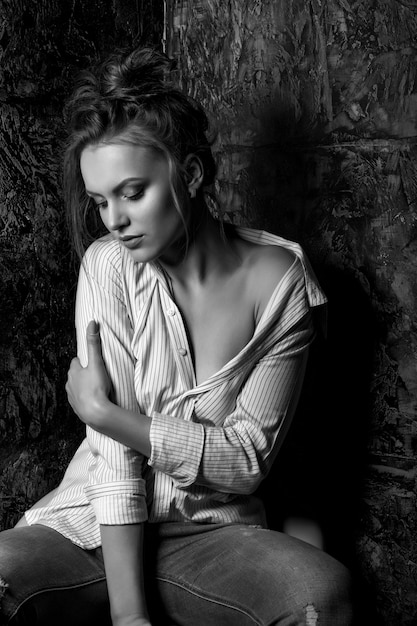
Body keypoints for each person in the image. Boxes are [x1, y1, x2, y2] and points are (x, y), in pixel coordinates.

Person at [0, 47, 353, 626]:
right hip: (95, 526)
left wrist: (108, 414)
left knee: (321, 593)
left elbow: (246, 461)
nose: (113, 220)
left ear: (188, 174)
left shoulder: (280, 283)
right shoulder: (108, 265)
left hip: (212, 535)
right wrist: (130, 617)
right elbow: (114, 466)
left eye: (132, 192)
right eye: (99, 201)